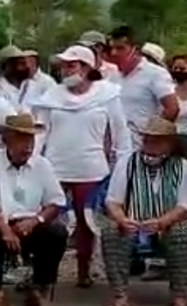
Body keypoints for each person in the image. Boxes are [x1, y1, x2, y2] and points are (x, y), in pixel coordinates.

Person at [32, 46, 132, 287]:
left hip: (92, 168)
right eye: (64, 65)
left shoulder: (107, 94)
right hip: (55, 167)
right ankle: (42, 273)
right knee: (45, 220)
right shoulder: (51, 96)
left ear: (87, 68)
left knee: (87, 222)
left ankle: (83, 269)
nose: (66, 69)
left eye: (72, 64)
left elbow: (120, 132)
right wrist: (34, 160)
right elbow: (38, 132)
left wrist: (123, 164)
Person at [0, 113, 68, 306]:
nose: (28, 146)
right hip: (1, 223)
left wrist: (35, 221)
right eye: (22, 139)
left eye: (31, 139)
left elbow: (56, 202)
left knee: (57, 231)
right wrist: (5, 229)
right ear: (6, 140)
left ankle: (38, 289)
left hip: (31, 224)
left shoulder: (42, 165)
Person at [101, 117, 187, 306]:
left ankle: (181, 296)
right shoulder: (127, 162)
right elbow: (112, 201)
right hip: (134, 223)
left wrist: (163, 221)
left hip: (169, 224)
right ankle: (121, 297)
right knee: (112, 231)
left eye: (156, 141)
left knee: (183, 232)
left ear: (169, 143)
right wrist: (122, 219)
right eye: (147, 140)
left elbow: (184, 206)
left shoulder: (182, 166)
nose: (149, 145)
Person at [108, 26, 179, 147]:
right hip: (115, 146)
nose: (114, 53)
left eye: (120, 48)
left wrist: (152, 136)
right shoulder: (111, 75)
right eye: (112, 48)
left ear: (135, 49)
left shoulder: (155, 74)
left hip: (140, 146)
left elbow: (172, 109)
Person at [0, 45, 56, 113]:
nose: (26, 67)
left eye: (24, 63)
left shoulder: (35, 84)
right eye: (20, 64)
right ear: (6, 66)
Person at [170, 55, 187, 152]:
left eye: (182, 69)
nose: (178, 71)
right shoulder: (168, 89)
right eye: (175, 68)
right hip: (169, 136)